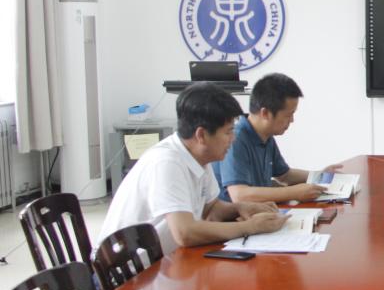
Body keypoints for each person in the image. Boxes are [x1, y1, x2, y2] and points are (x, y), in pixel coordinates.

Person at [99, 83, 287, 255]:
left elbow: (210, 209)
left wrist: (241, 208)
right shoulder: (167, 162)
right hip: (129, 271)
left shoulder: (199, 157)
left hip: (166, 260)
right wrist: (251, 227)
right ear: (201, 135)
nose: (233, 138)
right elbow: (185, 233)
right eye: (228, 132)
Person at [214, 73, 344, 203]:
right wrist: (293, 193)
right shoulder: (235, 139)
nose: (292, 120)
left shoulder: (266, 136)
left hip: (261, 211)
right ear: (265, 113)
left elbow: (285, 176)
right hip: (236, 215)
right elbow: (239, 195)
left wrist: (320, 175)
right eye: (288, 115)